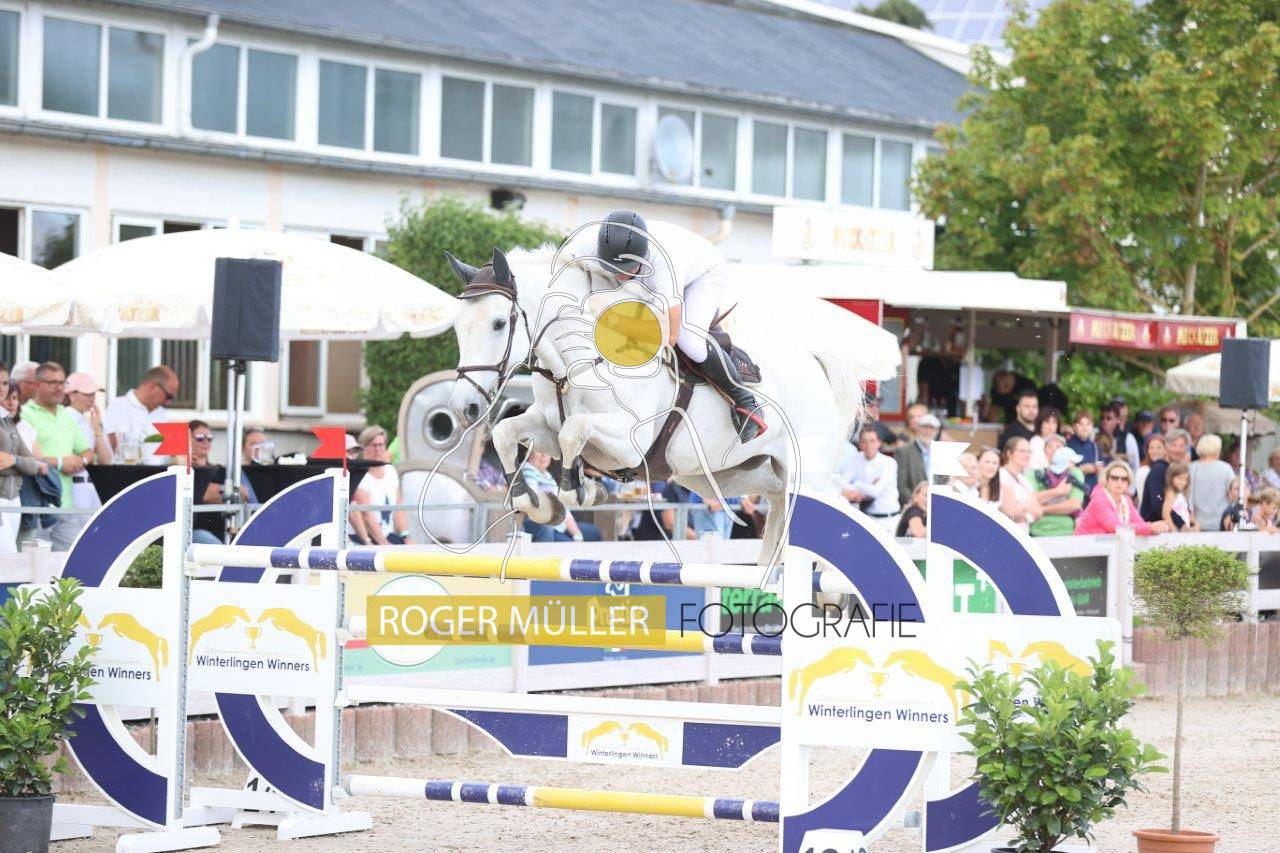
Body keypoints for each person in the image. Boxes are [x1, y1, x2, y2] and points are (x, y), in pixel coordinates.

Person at [565, 209, 764, 441]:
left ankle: (745, 401)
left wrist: (612, 318)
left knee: (689, 340)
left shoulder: (664, 264)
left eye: (628, 269)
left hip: (703, 273)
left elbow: (670, 334)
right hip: (653, 275)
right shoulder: (584, 245)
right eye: (613, 269)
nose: (620, 276)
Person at [20, 362, 94, 550]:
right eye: (52, 382)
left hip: (66, 505)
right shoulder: (24, 413)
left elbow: (86, 451)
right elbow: (25, 457)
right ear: (37, 384)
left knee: (74, 559)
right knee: (35, 564)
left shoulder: (65, 414)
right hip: (38, 506)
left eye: (62, 383)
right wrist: (61, 463)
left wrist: (80, 462)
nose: (59, 388)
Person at [349, 426, 415, 546]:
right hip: (363, 538)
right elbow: (366, 514)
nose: (378, 449)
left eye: (381, 445)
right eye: (373, 445)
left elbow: (398, 508)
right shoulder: (359, 474)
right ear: (364, 448)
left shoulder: (390, 471)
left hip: (387, 535)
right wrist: (384, 544)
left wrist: (406, 536)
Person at [518, 450, 600, 542]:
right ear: (528, 454)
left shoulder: (547, 475)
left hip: (557, 524)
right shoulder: (527, 469)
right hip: (540, 522)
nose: (544, 455)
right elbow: (534, 502)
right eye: (539, 451)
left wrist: (577, 534)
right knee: (568, 545)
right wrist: (576, 535)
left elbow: (562, 507)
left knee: (593, 531)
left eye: (547, 452)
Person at [103, 365, 179, 464]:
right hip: (125, 472)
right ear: (152, 386)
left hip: (158, 473)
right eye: (168, 396)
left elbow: (171, 457)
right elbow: (107, 451)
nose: (169, 402)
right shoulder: (117, 407)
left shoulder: (162, 413)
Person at [62, 372, 112, 514]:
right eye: (87, 394)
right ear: (71, 395)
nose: (92, 398)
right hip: (75, 486)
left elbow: (106, 461)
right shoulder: (64, 417)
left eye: (93, 394)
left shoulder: (88, 420)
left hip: (92, 486)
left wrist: (96, 430)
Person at [0, 384, 42, 554]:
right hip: (2, 499)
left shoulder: (9, 422)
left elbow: (33, 465)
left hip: (15, 499)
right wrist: (18, 465)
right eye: (7, 397)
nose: (10, 402)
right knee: (9, 555)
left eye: (15, 398)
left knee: (11, 556)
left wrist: (14, 460)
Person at [1076, 461, 1168, 536]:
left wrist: (1156, 527)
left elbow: (1140, 523)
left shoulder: (1126, 500)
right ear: (1106, 480)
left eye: (1124, 479)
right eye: (1114, 478)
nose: (1119, 481)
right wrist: (1150, 527)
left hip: (1106, 549)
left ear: (1128, 483)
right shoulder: (1099, 500)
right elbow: (1115, 528)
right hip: (1085, 549)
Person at [840, 426, 899, 528]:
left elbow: (875, 491)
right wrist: (868, 486)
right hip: (868, 518)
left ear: (879, 443)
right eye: (864, 441)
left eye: (872, 441)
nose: (868, 445)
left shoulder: (889, 462)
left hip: (889, 519)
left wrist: (857, 484)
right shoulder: (856, 459)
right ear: (860, 444)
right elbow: (842, 483)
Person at [1030, 446, 1085, 536]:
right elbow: (1030, 500)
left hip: (1067, 528)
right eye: (1071, 462)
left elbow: (1074, 505)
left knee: (1079, 513)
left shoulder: (1073, 474)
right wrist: (1058, 491)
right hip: (1039, 529)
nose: (1074, 465)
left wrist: (1042, 508)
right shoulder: (1041, 474)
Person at [1141, 428, 1191, 522]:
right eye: (1174, 445)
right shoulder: (1159, 469)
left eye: (1181, 446)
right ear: (1166, 446)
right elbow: (1158, 502)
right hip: (1156, 527)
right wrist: (1181, 524)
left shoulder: (1177, 470)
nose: (1177, 450)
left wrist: (1191, 521)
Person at [1188, 434, 1234, 532]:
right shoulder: (1226, 468)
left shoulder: (1191, 468)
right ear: (1217, 450)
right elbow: (1234, 492)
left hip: (1196, 523)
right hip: (1221, 522)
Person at [998, 437, 1042, 531]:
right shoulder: (1001, 475)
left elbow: (1039, 512)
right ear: (1009, 453)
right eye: (1022, 451)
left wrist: (1021, 507)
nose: (1027, 455)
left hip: (1024, 534)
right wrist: (1029, 510)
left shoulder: (1024, 479)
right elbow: (1011, 513)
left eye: (1029, 451)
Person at [896, 413, 938, 506]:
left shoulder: (940, 452)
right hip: (913, 505)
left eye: (932, 428)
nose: (928, 431)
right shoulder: (903, 452)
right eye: (925, 427)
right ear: (918, 429)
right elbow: (901, 485)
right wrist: (916, 502)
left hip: (937, 505)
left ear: (936, 431)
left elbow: (944, 480)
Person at [1065, 411, 1102, 495]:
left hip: (1092, 492)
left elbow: (1101, 466)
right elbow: (1061, 471)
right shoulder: (1066, 445)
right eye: (1081, 424)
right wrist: (1080, 470)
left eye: (1088, 424)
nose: (1085, 428)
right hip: (1073, 492)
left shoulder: (1095, 447)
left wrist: (1096, 468)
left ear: (1092, 426)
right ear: (1074, 426)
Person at [1162, 462, 1197, 532]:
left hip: (1184, 530)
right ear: (1171, 477)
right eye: (1180, 479)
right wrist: (1173, 529)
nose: (1183, 482)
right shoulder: (1171, 493)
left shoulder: (1181, 494)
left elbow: (1186, 512)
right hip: (1177, 531)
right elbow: (1165, 513)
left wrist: (1195, 523)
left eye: (1186, 479)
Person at [1134, 435, 1165, 508]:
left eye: (1159, 448)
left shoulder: (1168, 469)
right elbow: (1144, 498)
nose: (1154, 451)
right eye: (1151, 448)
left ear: (1165, 450)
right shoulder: (1143, 471)